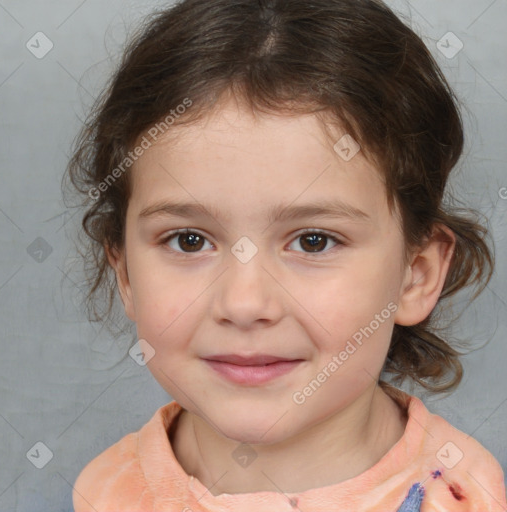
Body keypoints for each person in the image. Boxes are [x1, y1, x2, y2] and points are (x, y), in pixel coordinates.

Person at [65, 0, 507, 510]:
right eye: (189, 240)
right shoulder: (104, 493)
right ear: (124, 274)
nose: (245, 303)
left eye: (313, 241)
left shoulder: (465, 497)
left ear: (415, 275)